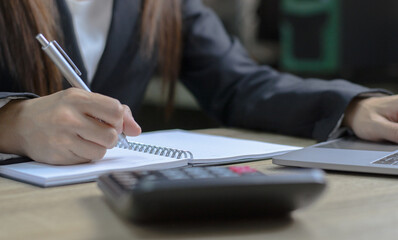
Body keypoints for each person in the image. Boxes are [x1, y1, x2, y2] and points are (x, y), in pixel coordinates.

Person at [0, 0, 396, 165]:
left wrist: (351, 105)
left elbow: (240, 83)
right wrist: (12, 124)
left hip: (108, 205)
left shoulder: (168, 6)